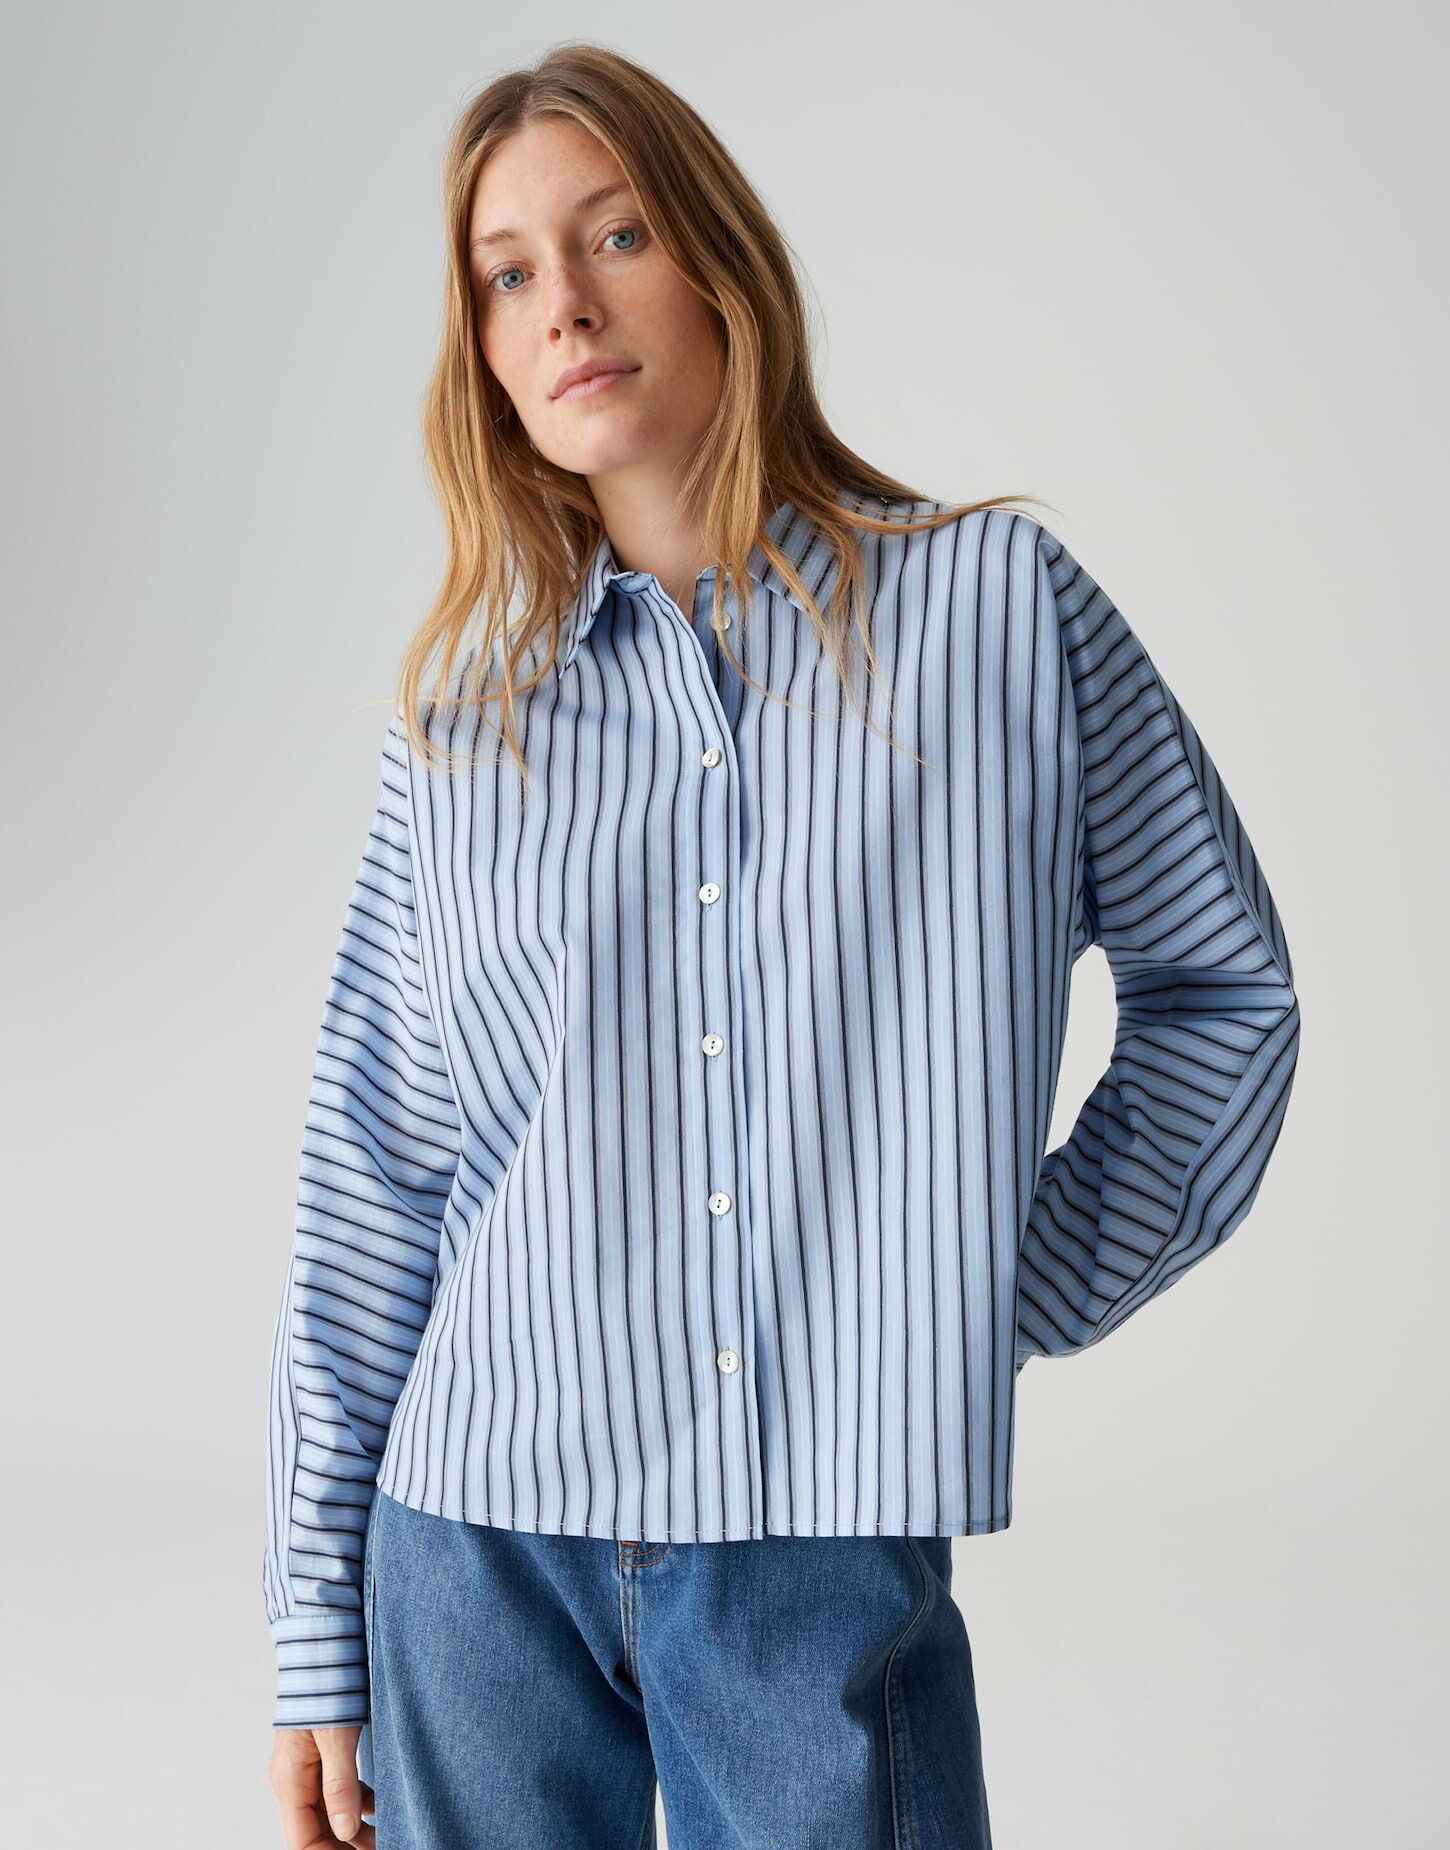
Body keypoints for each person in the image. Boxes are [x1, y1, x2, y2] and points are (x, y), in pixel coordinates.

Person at [262, 41, 1301, 1850]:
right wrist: (310, 1631)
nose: (563, 304)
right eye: (505, 274)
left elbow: (1223, 993)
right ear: (482, 352)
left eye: (615, 235)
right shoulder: (462, 725)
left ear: (721, 262)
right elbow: (376, 1171)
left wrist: (998, 1277)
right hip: (475, 1550)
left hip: (818, 1538)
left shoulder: (995, 614)